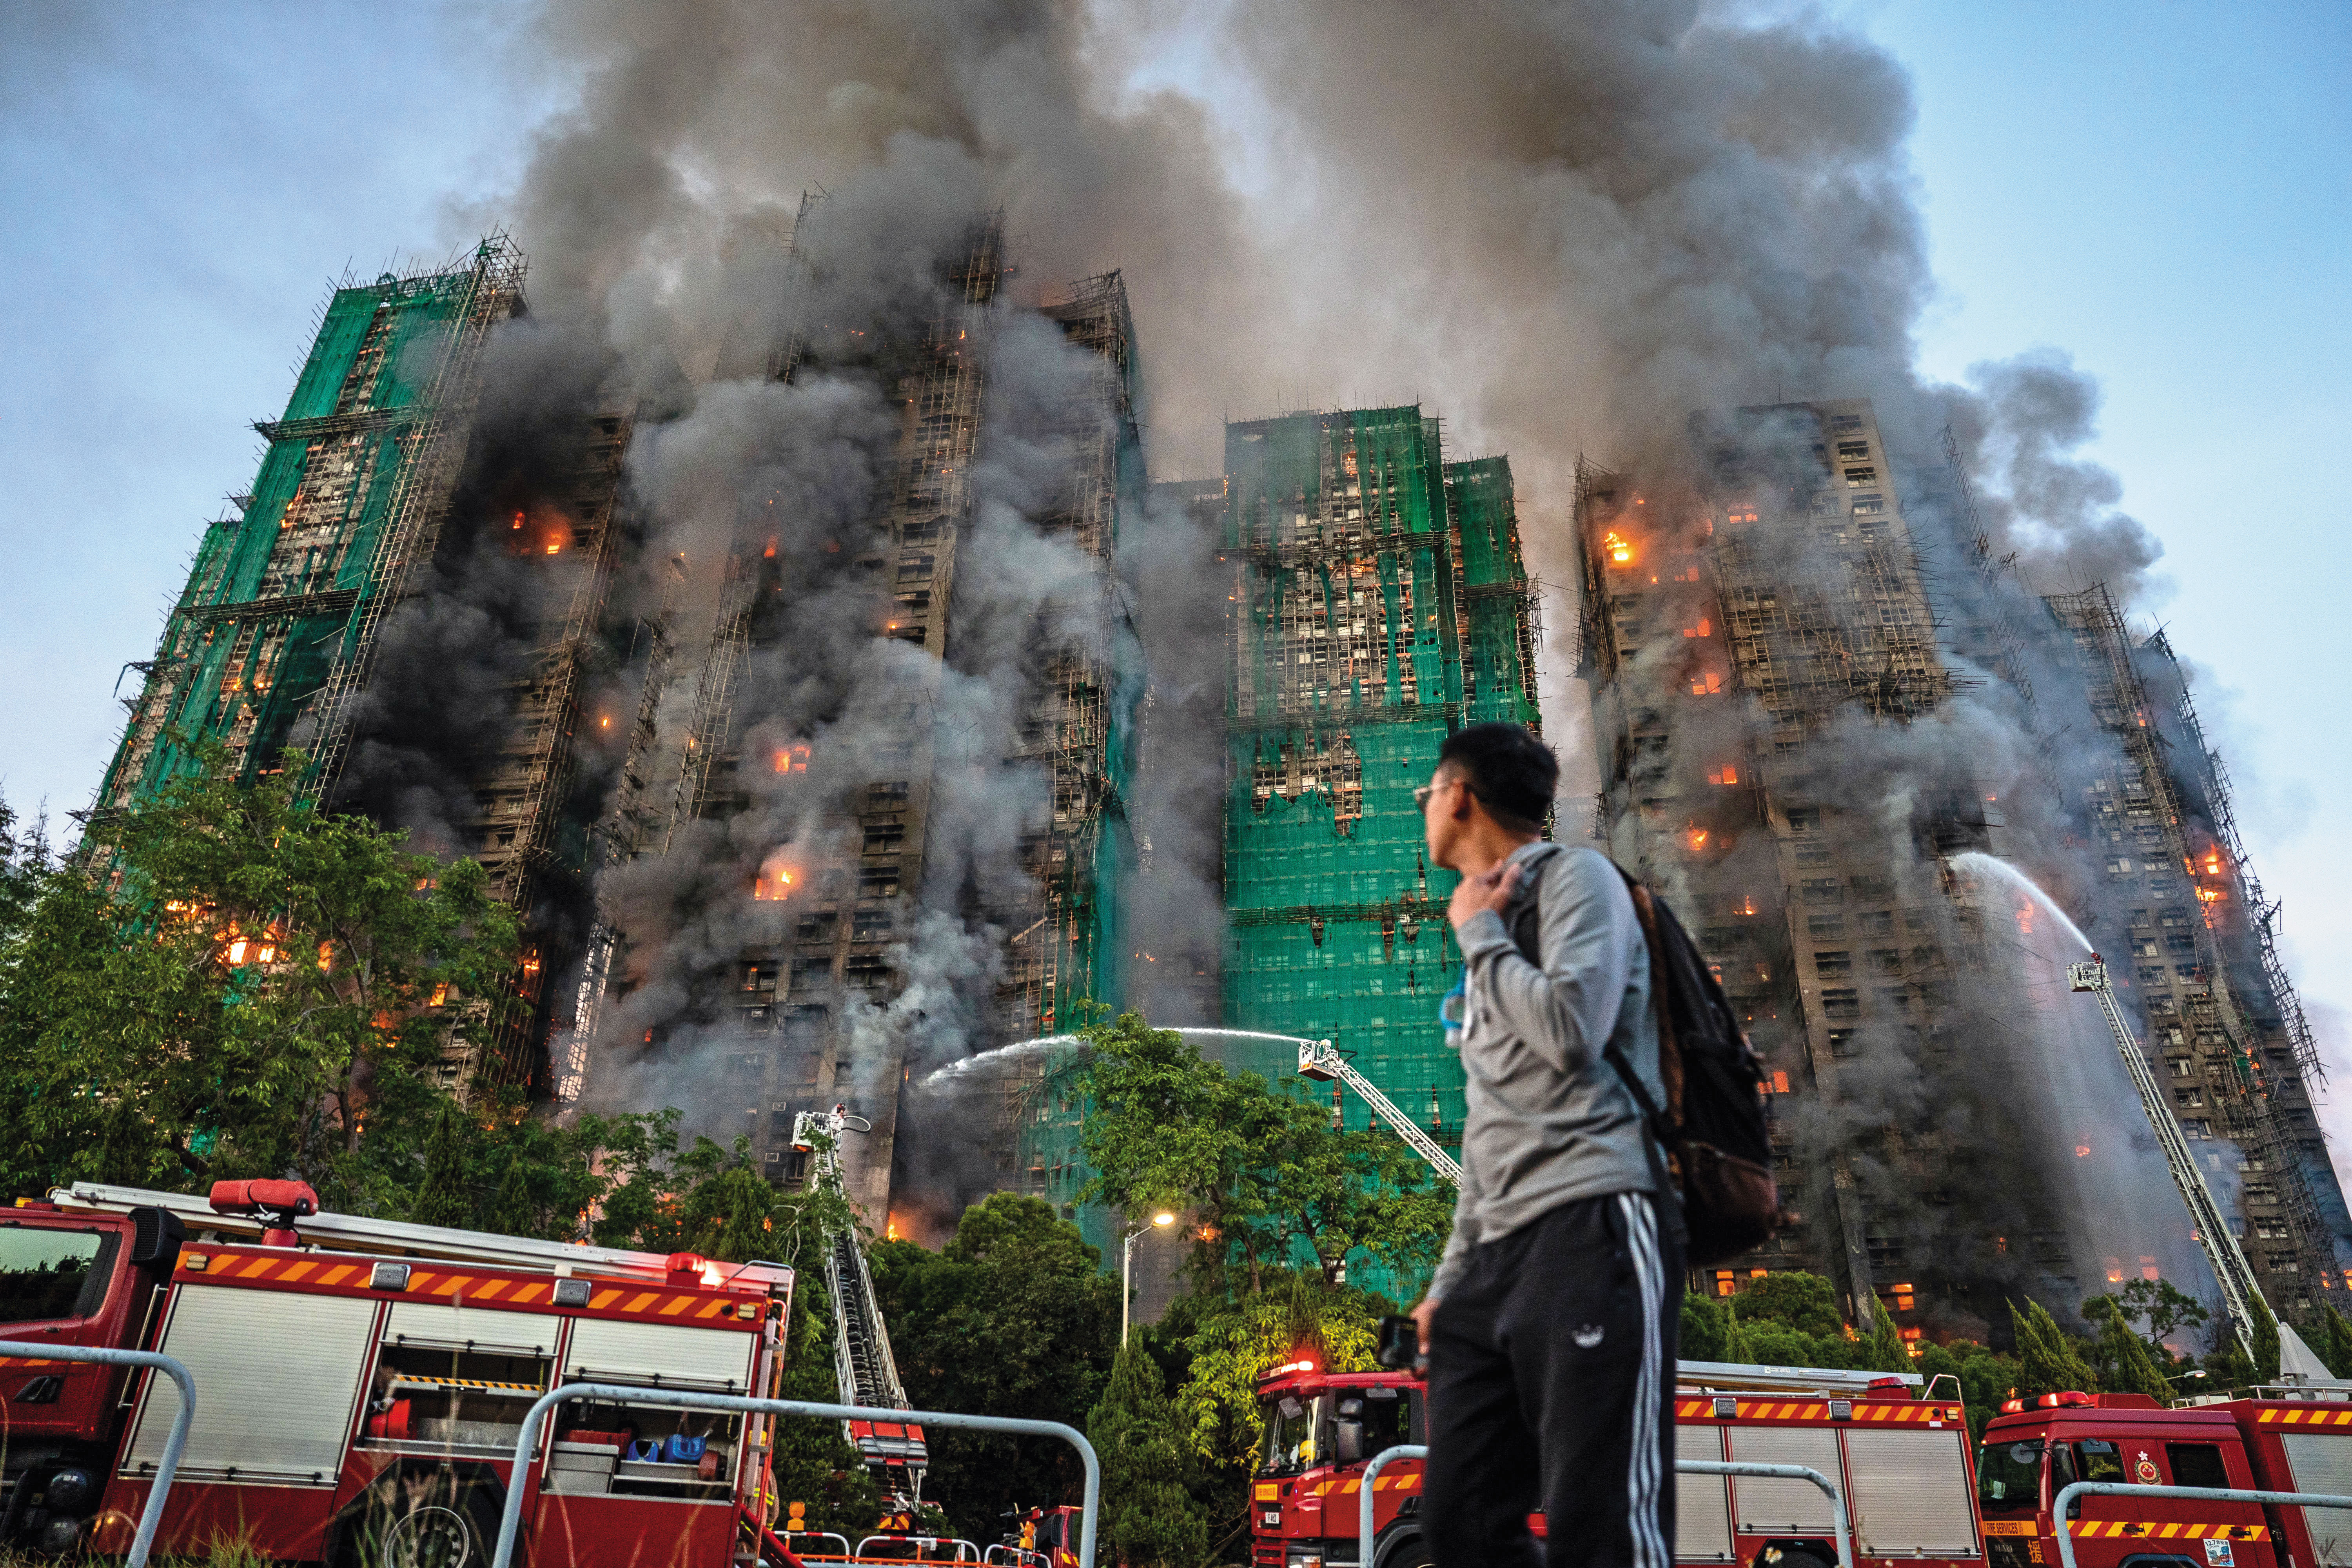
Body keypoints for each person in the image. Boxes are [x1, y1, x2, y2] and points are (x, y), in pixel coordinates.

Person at [1409, 721, 1682, 1568]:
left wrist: (1479, 935)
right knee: (1458, 1522)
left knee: (1599, 1526)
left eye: (1427, 793)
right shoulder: (1486, 926)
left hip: (1592, 1221)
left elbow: (1571, 1030)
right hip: (1495, 1256)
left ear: (1460, 797)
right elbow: (1489, 1137)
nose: (1423, 809)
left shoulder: (1578, 879)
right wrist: (1448, 1284)